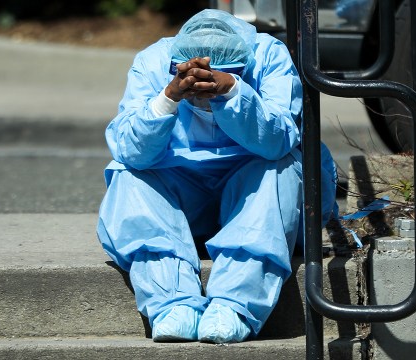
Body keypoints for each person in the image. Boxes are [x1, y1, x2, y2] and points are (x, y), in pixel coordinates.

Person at [96, 9, 338, 344]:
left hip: (256, 198)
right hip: (184, 199)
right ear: (174, 61)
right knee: (129, 175)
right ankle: (172, 303)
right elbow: (129, 149)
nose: (201, 87)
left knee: (278, 167)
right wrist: (168, 98)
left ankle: (235, 303)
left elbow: (279, 139)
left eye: (214, 74)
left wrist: (233, 90)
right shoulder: (152, 60)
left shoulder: (267, 55)